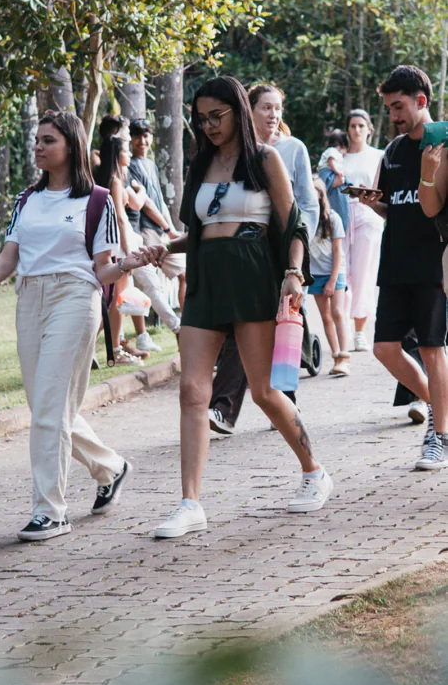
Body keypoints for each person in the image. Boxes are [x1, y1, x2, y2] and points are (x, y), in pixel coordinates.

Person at [0, 110, 161, 541]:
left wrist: (128, 264)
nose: (39, 147)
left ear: (71, 147)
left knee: (48, 407)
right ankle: (110, 468)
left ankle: (51, 510)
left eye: (48, 141)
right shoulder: (27, 200)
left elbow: (103, 270)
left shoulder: (97, 201)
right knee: (46, 406)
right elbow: (10, 256)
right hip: (30, 299)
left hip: (75, 298)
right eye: (38, 140)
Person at [150, 75, 332, 538]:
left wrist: (294, 274)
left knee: (266, 391)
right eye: (201, 118)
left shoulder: (264, 159)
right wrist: (162, 248)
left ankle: (314, 470)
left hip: (253, 276)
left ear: (238, 112)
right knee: (192, 389)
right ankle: (190, 503)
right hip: (207, 279)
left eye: (218, 116)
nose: (209, 126)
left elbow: (293, 225)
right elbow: (203, 230)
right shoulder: (200, 165)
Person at [207, 82, 318, 436]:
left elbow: (306, 204)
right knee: (244, 326)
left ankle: (284, 404)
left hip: (285, 252)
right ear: (248, 110)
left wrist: (297, 249)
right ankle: (224, 407)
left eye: (278, 108)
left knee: (282, 324)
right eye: (266, 108)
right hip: (246, 253)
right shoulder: (231, 152)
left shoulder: (293, 149)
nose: (274, 115)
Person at [361, 65, 448, 467]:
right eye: (388, 108)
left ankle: (440, 435)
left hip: (433, 263)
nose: (393, 116)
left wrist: (428, 176)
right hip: (394, 262)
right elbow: (392, 207)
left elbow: (433, 206)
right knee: (383, 349)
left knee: (433, 349)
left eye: (398, 107)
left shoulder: (441, 141)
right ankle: (439, 404)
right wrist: (370, 201)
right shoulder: (393, 151)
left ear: (421, 101)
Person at [95, 132, 182, 355]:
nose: (129, 155)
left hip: (127, 241)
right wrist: (127, 254)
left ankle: (104, 347)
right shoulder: (114, 181)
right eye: (125, 151)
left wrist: (141, 192)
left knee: (120, 298)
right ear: (117, 155)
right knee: (120, 298)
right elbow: (121, 218)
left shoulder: (119, 179)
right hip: (124, 242)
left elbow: (135, 204)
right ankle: (175, 328)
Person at [127, 117, 187, 351]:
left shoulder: (150, 165)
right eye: (138, 135)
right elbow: (145, 204)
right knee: (148, 284)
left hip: (163, 228)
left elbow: (159, 200)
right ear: (131, 139)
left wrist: (170, 228)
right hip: (146, 230)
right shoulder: (129, 165)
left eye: (146, 135)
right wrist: (167, 228)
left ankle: (188, 326)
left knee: (185, 275)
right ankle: (151, 334)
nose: (143, 140)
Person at [342, 108, 384, 352]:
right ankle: (343, 328)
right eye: (353, 125)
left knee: (362, 274)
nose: (357, 130)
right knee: (341, 274)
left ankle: (359, 331)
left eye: (361, 125)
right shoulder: (340, 157)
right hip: (343, 217)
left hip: (368, 216)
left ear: (369, 128)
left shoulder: (379, 156)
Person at [309, 176, 350, 377]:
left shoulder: (333, 218)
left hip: (334, 270)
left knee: (337, 313)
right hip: (315, 274)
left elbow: (337, 251)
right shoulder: (305, 217)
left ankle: (344, 356)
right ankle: (335, 355)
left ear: (319, 194)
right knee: (325, 316)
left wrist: (333, 280)